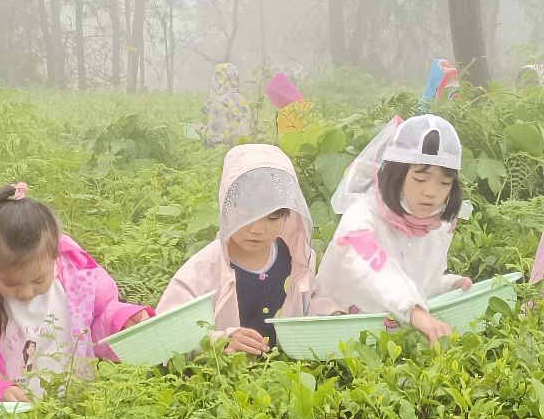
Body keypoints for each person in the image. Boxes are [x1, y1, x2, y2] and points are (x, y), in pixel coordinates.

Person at [0, 183, 152, 404]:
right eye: (10, 282)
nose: (26, 292)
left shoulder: (77, 278)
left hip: (74, 410)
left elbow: (97, 320)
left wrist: (122, 321)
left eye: (39, 280)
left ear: (56, 256)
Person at [313, 114, 471, 344]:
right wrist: (416, 313)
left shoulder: (437, 224)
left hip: (391, 341)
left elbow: (420, 280)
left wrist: (449, 284)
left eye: (444, 183)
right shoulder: (360, 218)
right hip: (337, 339)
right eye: (420, 179)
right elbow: (375, 271)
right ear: (396, 176)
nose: (431, 192)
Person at [157, 144, 318, 355]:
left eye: (272, 217)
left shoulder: (297, 261)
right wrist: (219, 343)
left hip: (287, 382)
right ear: (226, 207)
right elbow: (163, 333)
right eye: (246, 213)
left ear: (288, 215)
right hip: (221, 384)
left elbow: (315, 312)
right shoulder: (201, 271)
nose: (257, 229)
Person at [198, 63, 256, 147]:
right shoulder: (243, 100)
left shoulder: (219, 103)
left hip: (228, 155)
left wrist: (200, 131)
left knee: (188, 130)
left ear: (217, 79)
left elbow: (215, 140)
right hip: (244, 152)